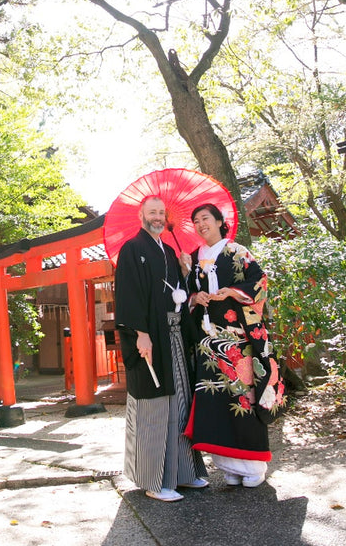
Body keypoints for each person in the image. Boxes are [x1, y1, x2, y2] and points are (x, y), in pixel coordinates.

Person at [181, 203, 287, 488]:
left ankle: (253, 466)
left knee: (244, 399)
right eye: (196, 221)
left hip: (237, 340)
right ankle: (228, 465)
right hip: (207, 343)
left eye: (206, 218)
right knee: (214, 401)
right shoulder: (193, 258)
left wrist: (234, 292)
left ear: (219, 221)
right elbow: (188, 293)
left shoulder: (238, 252)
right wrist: (195, 298)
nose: (201, 224)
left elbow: (259, 282)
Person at [115, 195, 208, 502]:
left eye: (160, 213)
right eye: (151, 212)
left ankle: (183, 473)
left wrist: (183, 272)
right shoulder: (132, 249)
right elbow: (129, 295)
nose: (157, 217)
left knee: (180, 402)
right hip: (151, 337)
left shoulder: (169, 251)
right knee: (155, 409)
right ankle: (154, 480)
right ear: (142, 216)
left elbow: (177, 296)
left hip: (175, 337)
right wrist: (140, 334)